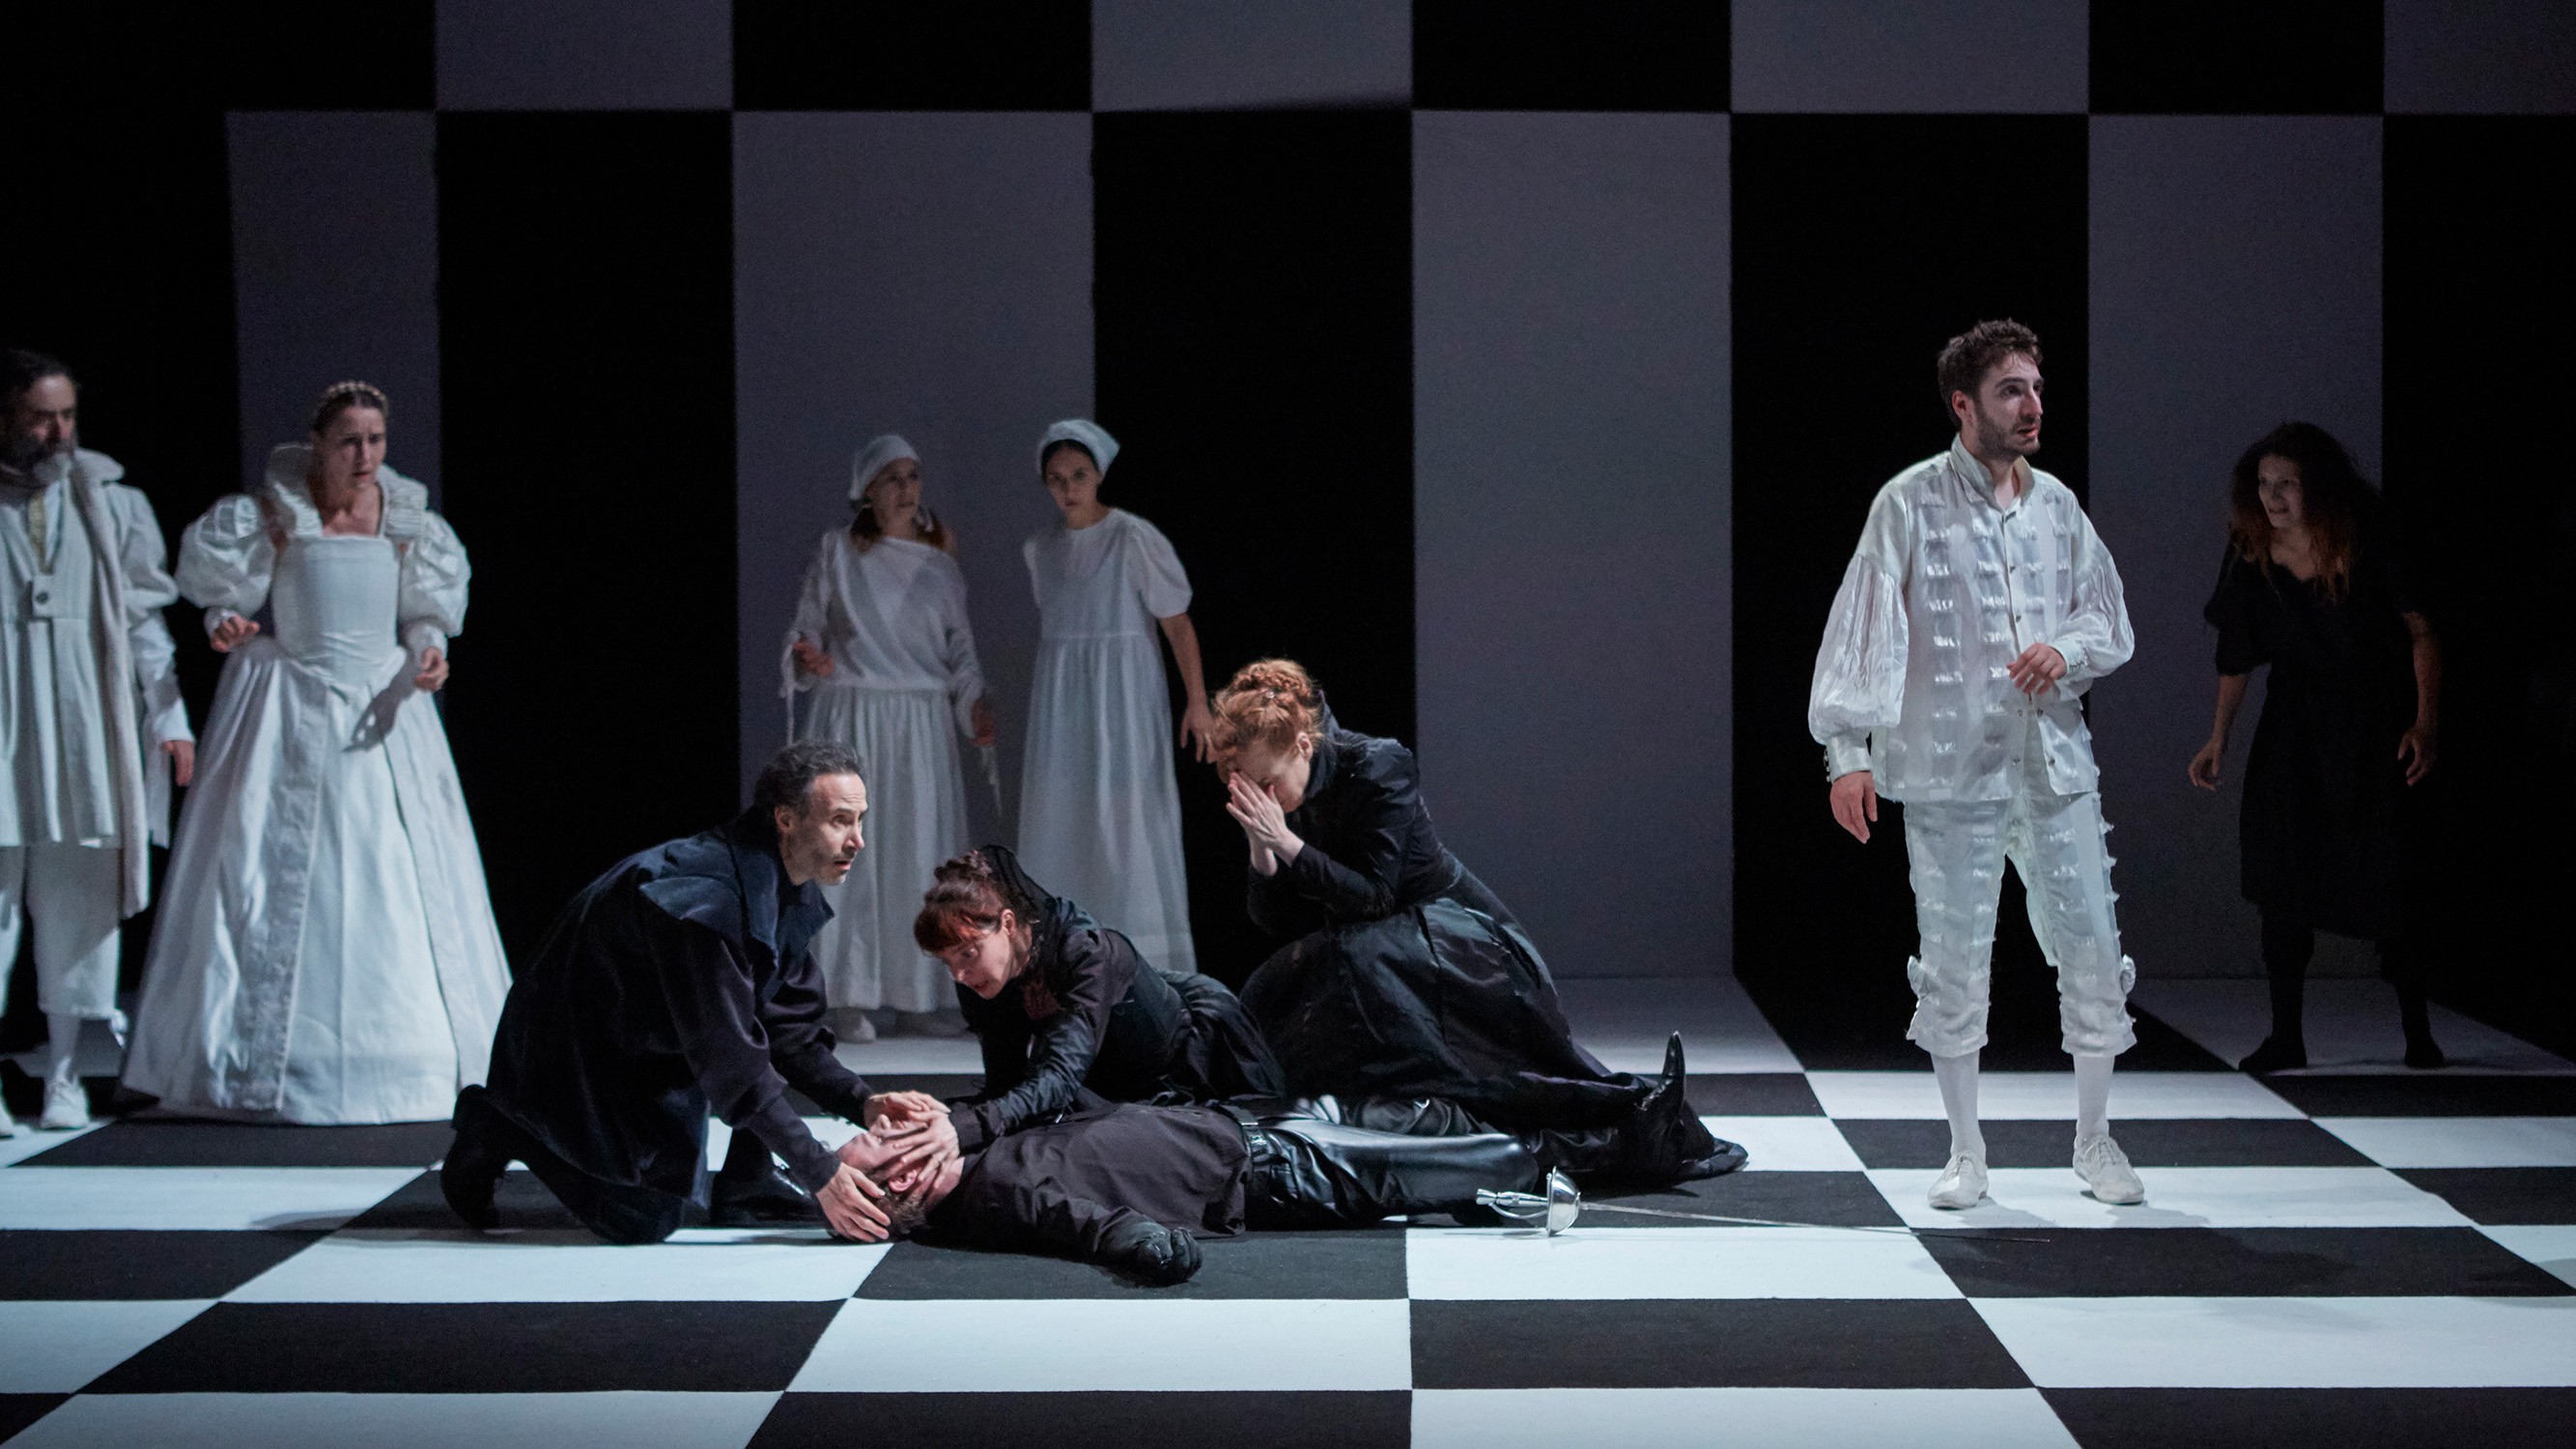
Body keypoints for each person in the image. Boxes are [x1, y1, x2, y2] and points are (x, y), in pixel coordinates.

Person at [1807, 320, 2142, 1211]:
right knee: (1953, 961)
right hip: (1950, 768)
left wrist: (2065, 651)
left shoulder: (2056, 505)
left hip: (2052, 765)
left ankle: (2094, 1140)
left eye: (2035, 388)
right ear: (1964, 404)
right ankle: (1965, 1152)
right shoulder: (1908, 502)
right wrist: (1847, 753)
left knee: (2093, 950)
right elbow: (1864, 631)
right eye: (2010, 391)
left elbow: (2106, 617)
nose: (2031, 406)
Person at [121, 382, 509, 1124]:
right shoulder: (274, 513)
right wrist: (226, 620)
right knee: (264, 873)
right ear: (319, 445)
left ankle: (412, 1057)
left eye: (375, 440)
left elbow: (422, 611)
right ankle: (262, 1060)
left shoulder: (405, 519)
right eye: (349, 441)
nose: (365, 455)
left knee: (393, 870)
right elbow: (225, 597)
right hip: (293, 704)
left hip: (381, 712)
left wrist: (428, 649)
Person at [1213, 659, 1739, 1185]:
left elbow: (1374, 898)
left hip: (1459, 950)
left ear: (1303, 746)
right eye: (1250, 789)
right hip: (1380, 959)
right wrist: (1262, 847)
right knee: (1274, 994)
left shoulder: (1377, 766)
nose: (1263, 799)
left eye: (1268, 782)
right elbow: (1278, 922)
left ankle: (1636, 1132)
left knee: (1505, 1086)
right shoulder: (1287, 800)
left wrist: (1287, 843)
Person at [442, 742, 952, 1245]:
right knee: (641, 1218)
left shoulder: (785, 882)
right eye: (840, 821)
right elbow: (728, 1058)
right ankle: (498, 1122)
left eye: (860, 820)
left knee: (728, 1083)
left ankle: (749, 1183)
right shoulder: (709, 902)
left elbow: (787, 1031)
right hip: (574, 1052)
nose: (858, 840)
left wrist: (863, 1102)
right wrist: (820, 1172)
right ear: (785, 819)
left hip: (652, 1044)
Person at [2190, 422, 2445, 1071]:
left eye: (2287, 484)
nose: (2273, 497)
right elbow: (2237, 654)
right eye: (2263, 484)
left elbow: (2420, 631)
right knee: (2282, 871)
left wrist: (2424, 723)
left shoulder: (2366, 537)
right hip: (2296, 722)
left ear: (2319, 487)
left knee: (2391, 870)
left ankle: (2418, 1033)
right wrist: (2218, 737)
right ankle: (2286, 1035)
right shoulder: (2251, 548)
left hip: (2374, 719)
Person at [0, 351, 193, 1133]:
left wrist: (169, 716)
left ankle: (65, 1075)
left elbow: (145, 620)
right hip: (6, 711)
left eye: (68, 416)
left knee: (79, 897)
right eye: (41, 418)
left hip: (83, 717)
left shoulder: (110, 501)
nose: (59, 433)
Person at [838, 1091, 1543, 1285]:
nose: (886, 1122)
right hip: (1273, 1170)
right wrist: (1148, 1246)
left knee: (1439, 1114)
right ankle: (1593, 1155)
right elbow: (1076, 1221)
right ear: (904, 1174)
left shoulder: (978, 1156)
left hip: (1246, 1121)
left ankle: (1601, 1131)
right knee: (1503, 1158)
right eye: (877, 1138)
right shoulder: (992, 1195)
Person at [784, 433, 995, 1042]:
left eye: (913, 476)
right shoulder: (837, 552)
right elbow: (806, 631)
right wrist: (809, 658)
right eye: (893, 478)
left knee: (918, 853)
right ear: (868, 490)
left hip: (919, 726)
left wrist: (974, 707)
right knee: (853, 857)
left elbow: (961, 654)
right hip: (855, 716)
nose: (907, 489)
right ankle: (845, 996)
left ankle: (919, 998)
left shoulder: (939, 567)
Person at [911, 845, 1283, 1159]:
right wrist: (940, 1124)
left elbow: (1059, 1076)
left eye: (967, 954)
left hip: (1188, 1065)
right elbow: (1005, 1084)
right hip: (1102, 1079)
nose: (959, 975)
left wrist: (965, 1127)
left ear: (1007, 924)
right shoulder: (981, 976)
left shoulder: (1087, 952)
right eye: (947, 962)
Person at [1016, 419, 1207, 974]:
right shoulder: (1041, 548)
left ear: (1098, 475)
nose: (1068, 488)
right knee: (1063, 814)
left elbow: (1177, 624)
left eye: (1079, 475)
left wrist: (1198, 701)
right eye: (1057, 479)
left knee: (1126, 819)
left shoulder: (1131, 538)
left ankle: (1140, 964)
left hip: (1122, 699)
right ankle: (1064, 959)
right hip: (1063, 702)